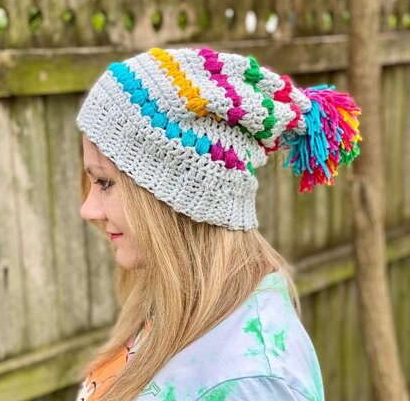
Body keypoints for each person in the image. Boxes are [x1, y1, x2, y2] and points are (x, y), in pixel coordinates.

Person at [75, 47, 362, 401]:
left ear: (177, 193)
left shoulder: (250, 381)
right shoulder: (177, 307)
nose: (88, 209)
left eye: (104, 182)